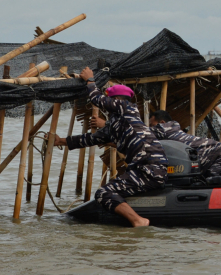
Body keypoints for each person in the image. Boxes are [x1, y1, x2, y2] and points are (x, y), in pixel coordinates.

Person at [54, 67, 168, 227]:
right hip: (145, 170)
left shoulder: (127, 107)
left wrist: (90, 80)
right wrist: (61, 141)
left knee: (104, 192)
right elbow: (89, 139)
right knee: (110, 190)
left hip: (148, 168)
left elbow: (98, 99)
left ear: (116, 100)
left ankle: (139, 221)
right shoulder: (116, 123)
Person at [148, 110, 221, 178]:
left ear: (162, 123)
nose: (151, 127)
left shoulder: (164, 128)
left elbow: (142, 134)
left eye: (152, 125)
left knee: (212, 182)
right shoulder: (173, 131)